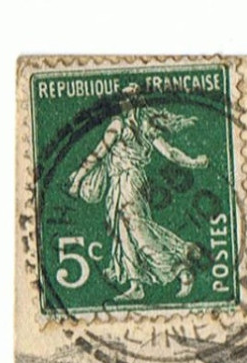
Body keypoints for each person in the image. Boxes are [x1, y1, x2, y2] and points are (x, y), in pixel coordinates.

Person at [67, 83, 209, 302]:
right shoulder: (145, 125)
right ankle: (136, 285)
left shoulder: (118, 125)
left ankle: (180, 266)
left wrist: (77, 180)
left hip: (127, 181)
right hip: (130, 181)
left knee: (137, 229)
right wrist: (194, 162)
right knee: (126, 231)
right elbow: (170, 152)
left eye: (125, 99)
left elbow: (97, 154)